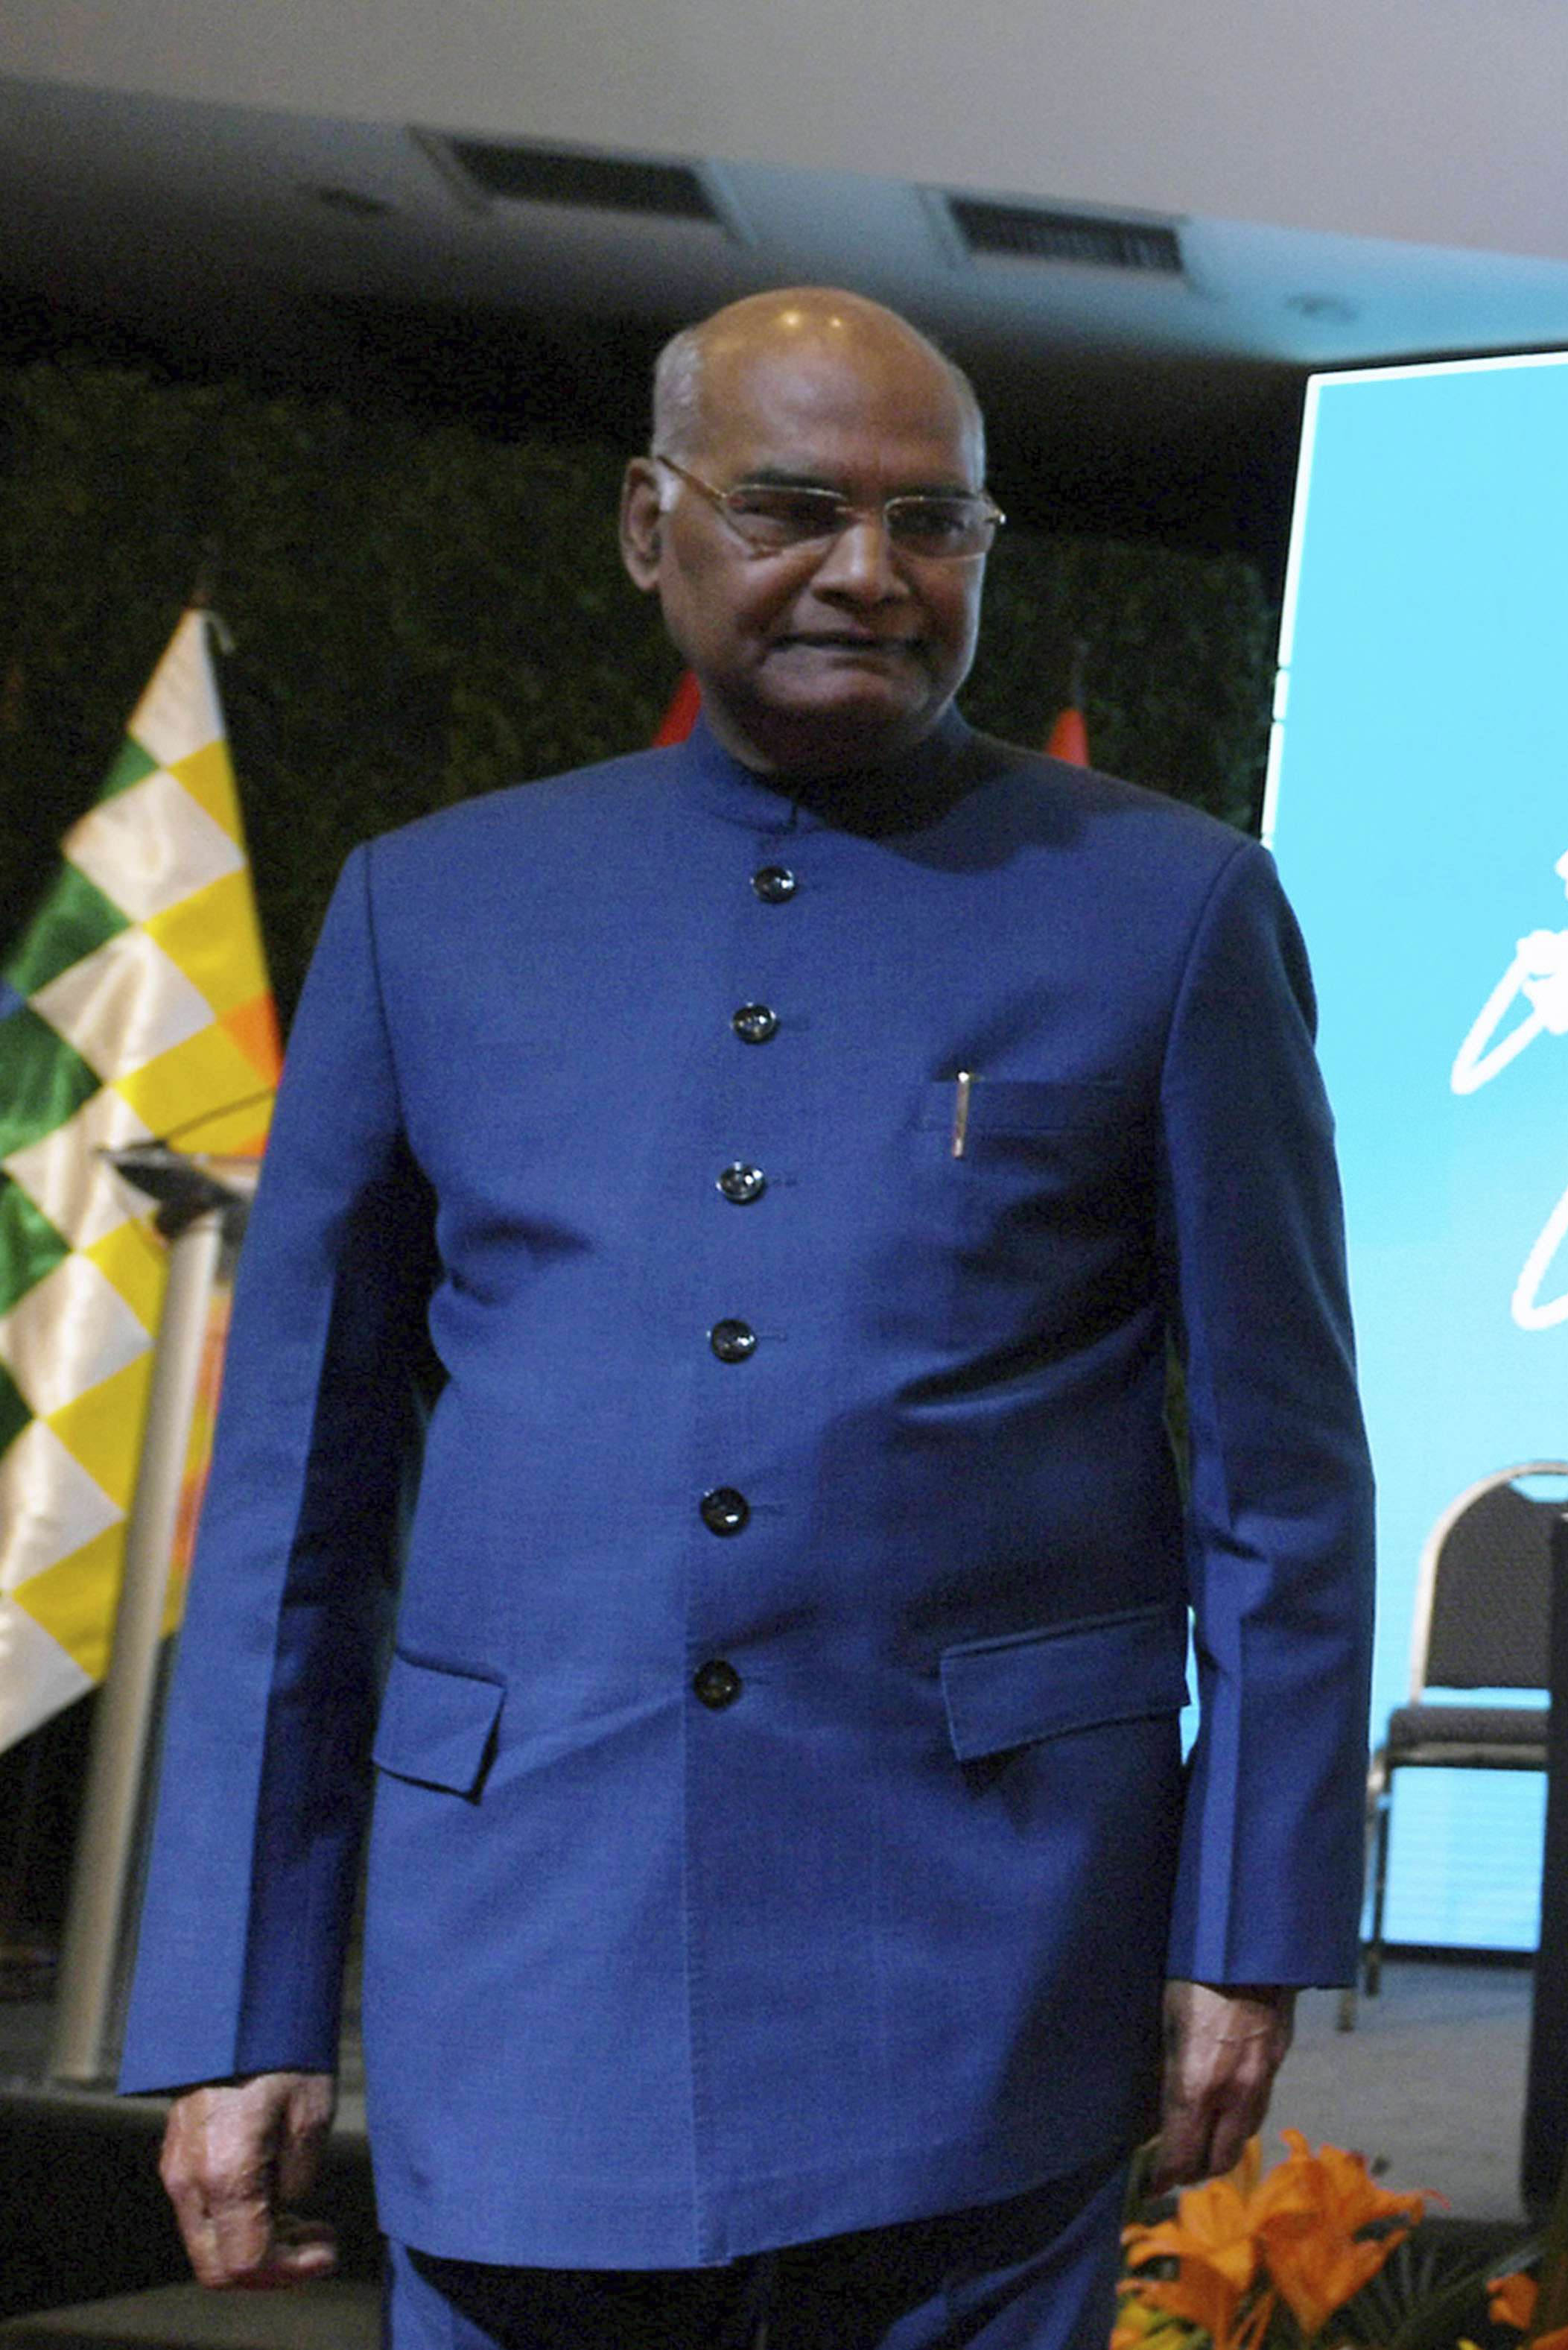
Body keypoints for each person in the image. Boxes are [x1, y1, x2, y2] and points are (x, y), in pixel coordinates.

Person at [116, 288, 1372, 2349]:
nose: (867, 574)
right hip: (532, 1959)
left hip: (990, 1952)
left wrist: (1247, 1932)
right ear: (647, 523)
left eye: (933, 525)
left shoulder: (1171, 906)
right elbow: (290, 1514)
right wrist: (240, 1999)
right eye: (793, 507)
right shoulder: (425, 909)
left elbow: (1281, 1482)